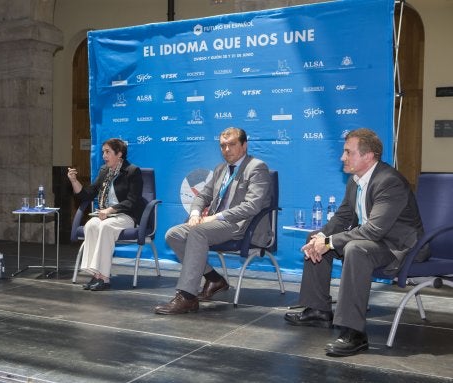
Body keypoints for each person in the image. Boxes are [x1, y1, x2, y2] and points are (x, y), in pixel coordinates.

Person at [284, 128, 429, 357]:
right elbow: (343, 217)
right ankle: (318, 309)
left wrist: (330, 242)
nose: (342, 157)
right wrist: (321, 238)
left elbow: (374, 230)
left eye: (347, 152)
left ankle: (355, 332)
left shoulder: (389, 182)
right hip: (376, 241)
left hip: (399, 248)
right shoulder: (356, 180)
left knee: (355, 248)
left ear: (368, 156)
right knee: (316, 238)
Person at [154, 127, 273, 315]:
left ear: (244, 145)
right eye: (223, 146)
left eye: (232, 144)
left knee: (197, 232)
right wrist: (195, 214)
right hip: (216, 223)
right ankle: (214, 278)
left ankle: (187, 296)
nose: (226, 150)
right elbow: (203, 196)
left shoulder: (257, 167)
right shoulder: (220, 169)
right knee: (173, 234)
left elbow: (253, 206)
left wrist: (215, 216)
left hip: (242, 224)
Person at [67, 138, 146, 291]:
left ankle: (104, 278)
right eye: (103, 152)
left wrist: (110, 210)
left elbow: (133, 201)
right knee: (90, 225)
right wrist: (74, 181)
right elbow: (88, 194)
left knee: (105, 227)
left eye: (107, 152)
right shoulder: (105, 171)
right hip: (105, 215)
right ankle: (94, 274)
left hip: (126, 215)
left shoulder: (132, 171)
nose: (104, 155)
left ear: (119, 154)